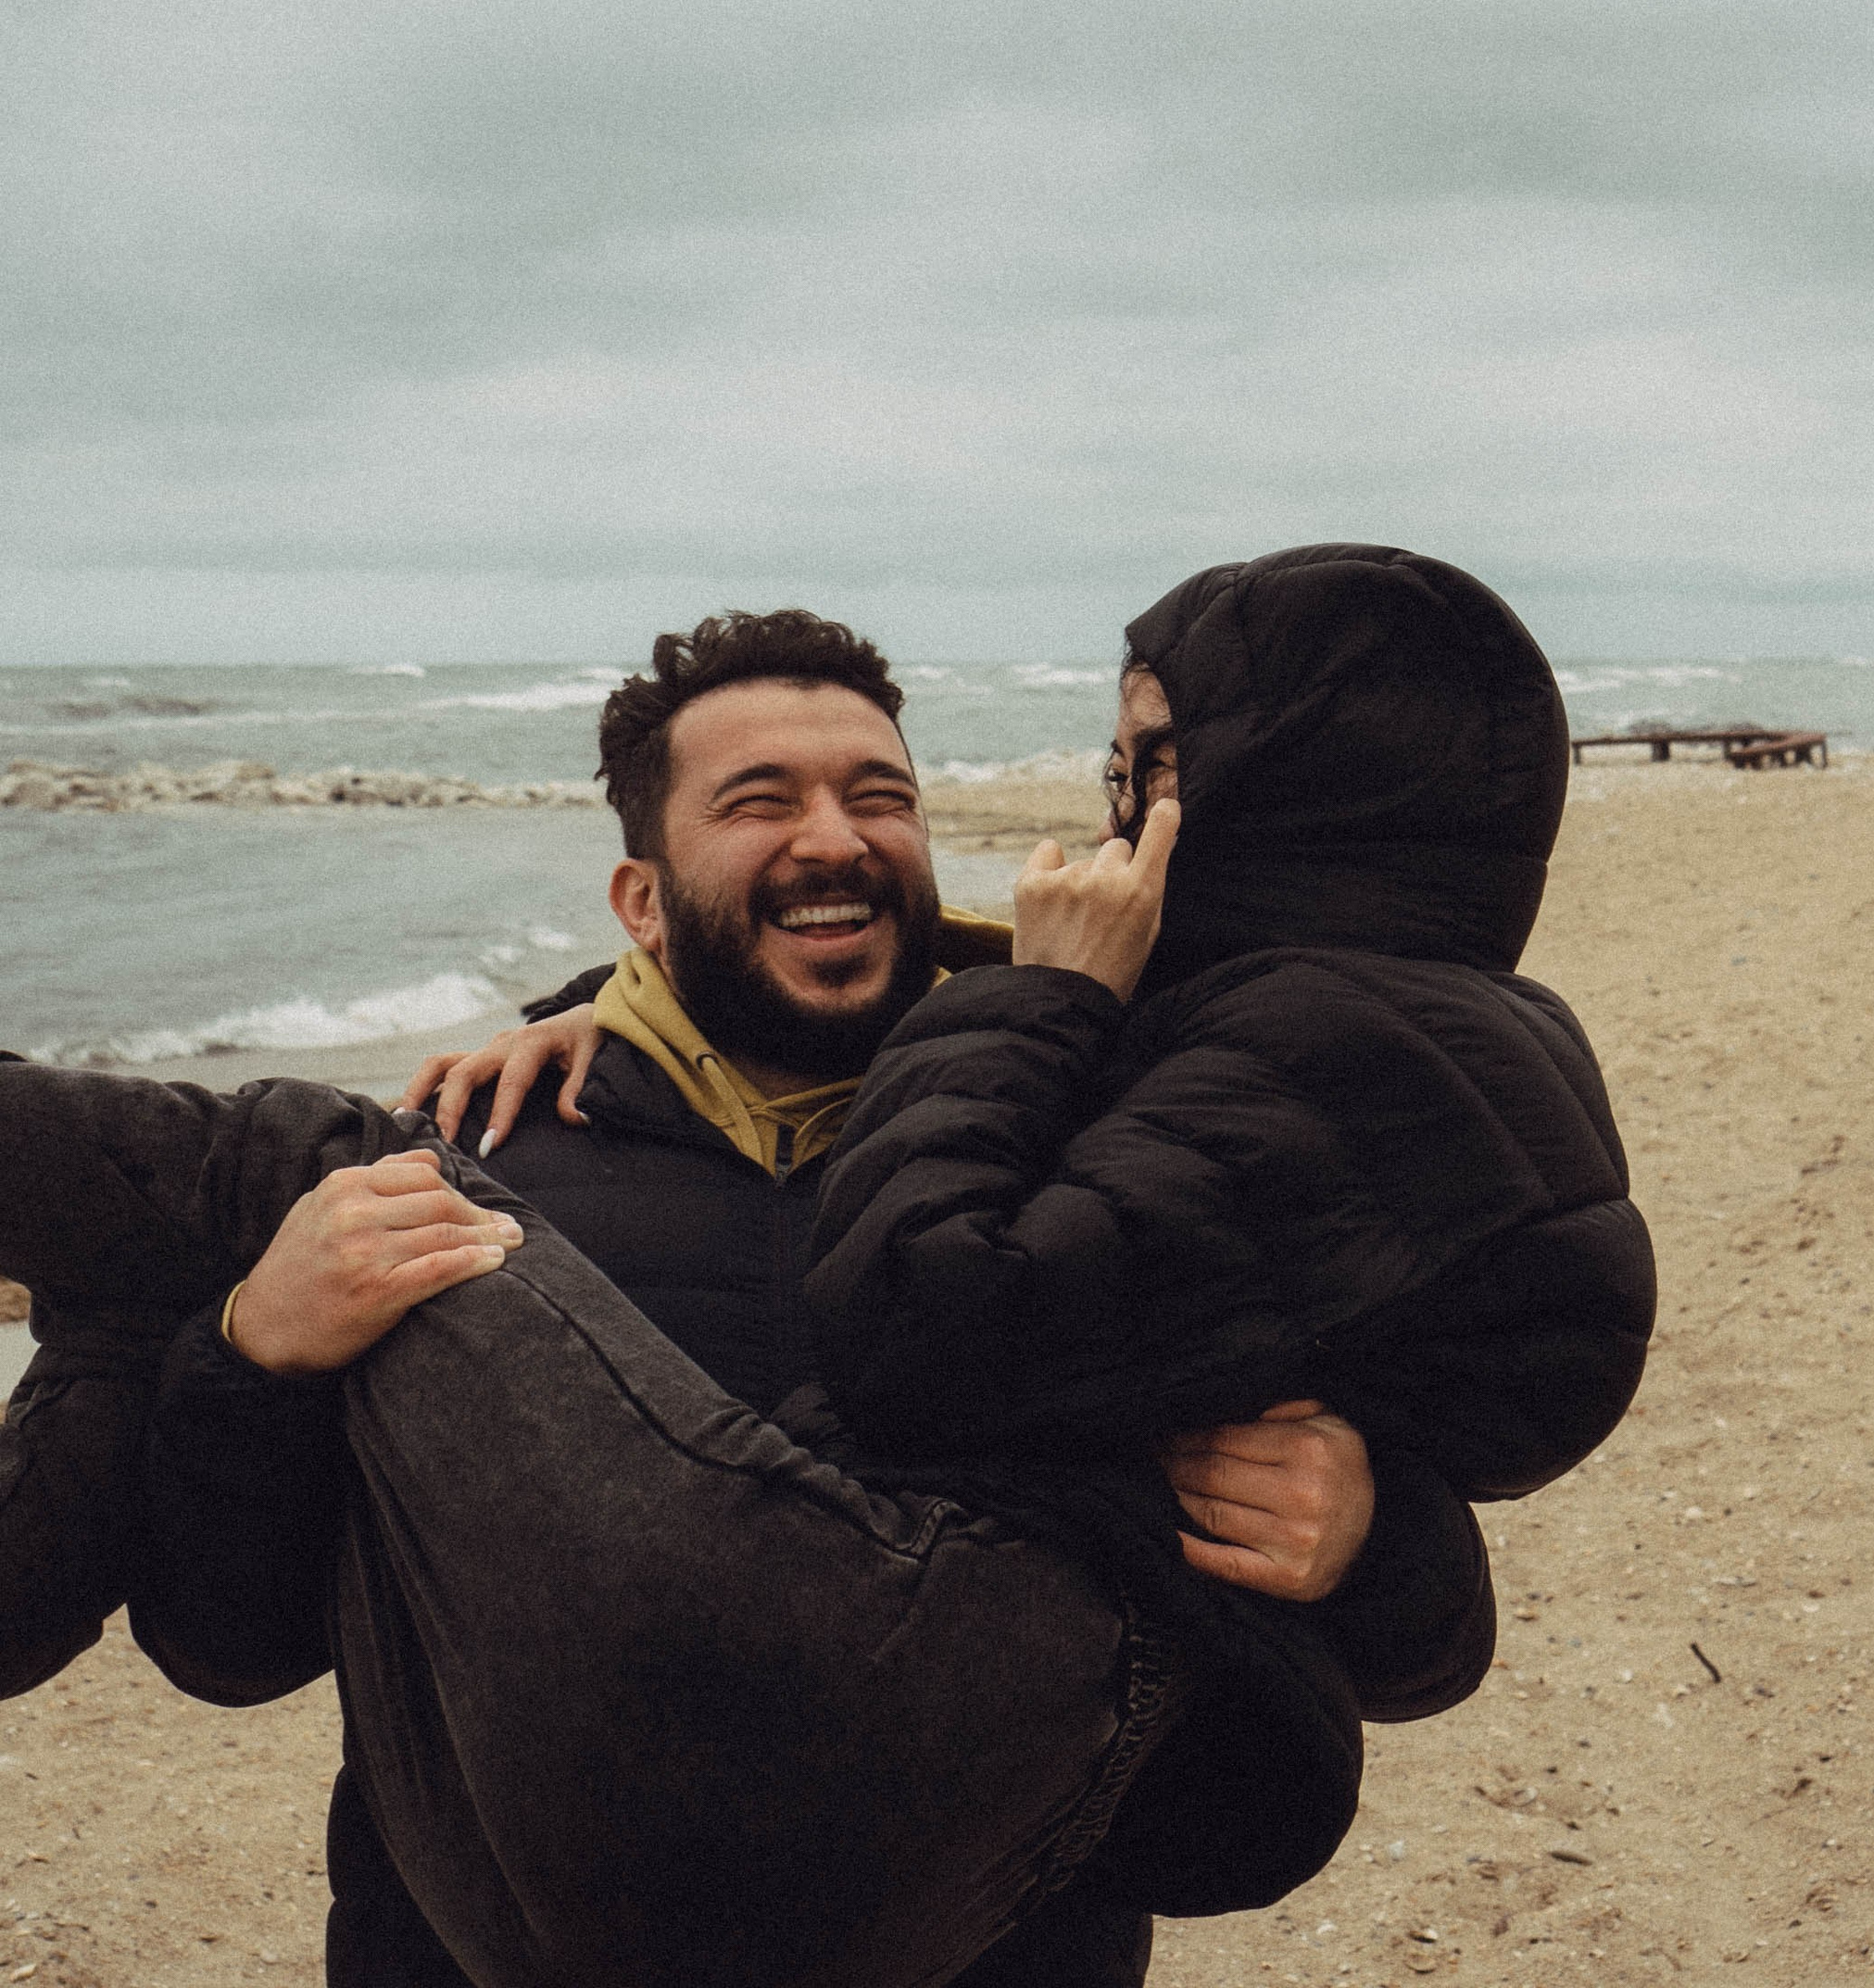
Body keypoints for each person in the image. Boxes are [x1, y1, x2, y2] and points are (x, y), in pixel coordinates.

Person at [0, 542, 1654, 1988]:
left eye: (880, 796)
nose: (834, 839)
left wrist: (1366, 1532)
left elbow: (1428, 1647)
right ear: (641, 901)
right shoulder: (482, 1160)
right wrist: (253, 1351)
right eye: (759, 803)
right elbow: (230, 1644)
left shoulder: (1116, 1141)